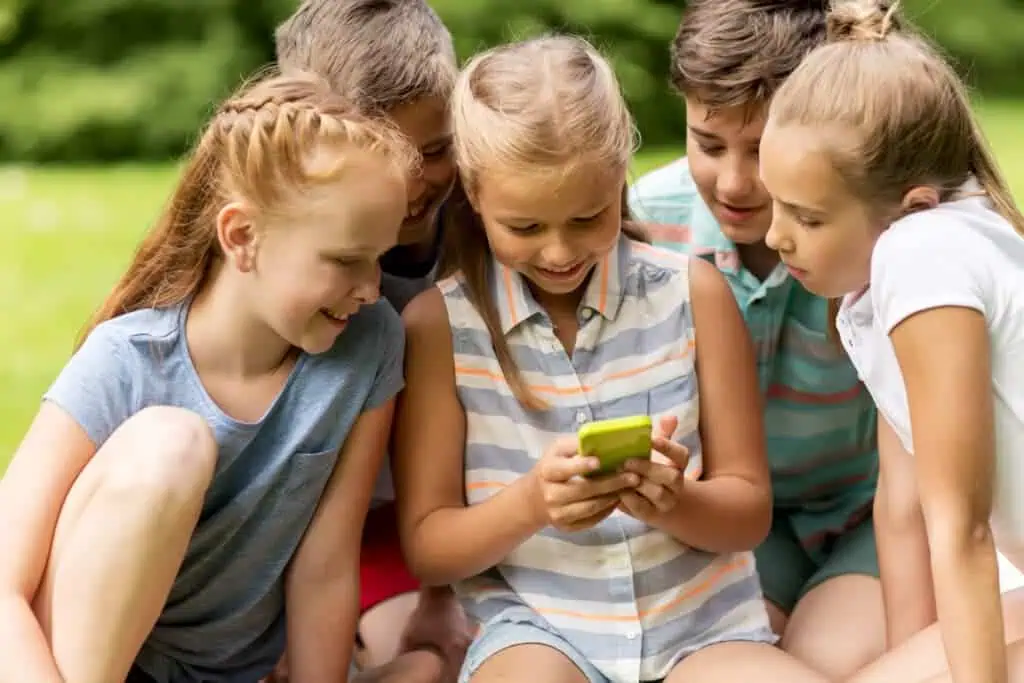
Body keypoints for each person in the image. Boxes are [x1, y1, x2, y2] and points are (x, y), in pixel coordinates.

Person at [393, 35, 834, 683]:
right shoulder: (438, 325)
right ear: (475, 193)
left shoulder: (694, 293)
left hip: (702, 626)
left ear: (619, 176)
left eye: (587, 216)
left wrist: (672, 499)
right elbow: (430, 547)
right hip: (538, 629)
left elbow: (748, 510)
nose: (558, 251)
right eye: (525, 226)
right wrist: (533, 503)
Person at [0, 71, 418, 683]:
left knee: (425, 670)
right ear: (242, 236)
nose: (372, 288)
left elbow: (324, 566)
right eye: (346, 261)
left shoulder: (368, 343)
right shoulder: (126, 359)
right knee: (173, 444)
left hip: (235, 673)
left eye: (380, 259)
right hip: (84, 665)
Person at [757, 1, 1024, 682]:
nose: (774, 236)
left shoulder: (924, 257)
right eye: (775, 203)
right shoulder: (893, 273)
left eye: (808, 217)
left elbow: (959, 529)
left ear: (911, 204)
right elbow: (900, 502)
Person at [627, 0, 883, 677]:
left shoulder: (876, 236)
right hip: (734, 527)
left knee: (822, 659)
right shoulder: (651, 225)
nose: (735, 183)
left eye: (762, 150)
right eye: (709, 145)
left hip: (869, 520)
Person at [274, 3, 471, 681]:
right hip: (327, 528)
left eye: (438, 149)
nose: (414, 181)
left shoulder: (498, 218)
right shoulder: (281, 258)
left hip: (457, 518)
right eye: (384, 151)